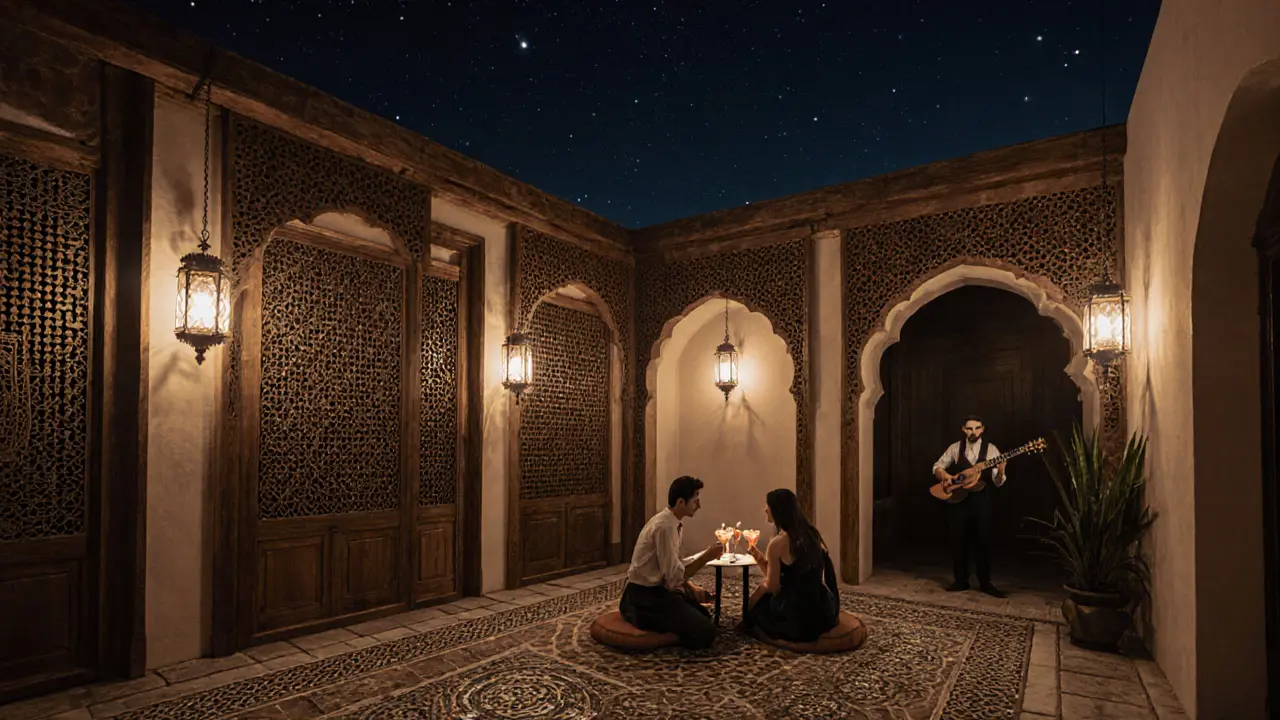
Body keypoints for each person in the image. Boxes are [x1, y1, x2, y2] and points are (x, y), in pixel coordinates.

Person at [619, 475, 724, 649]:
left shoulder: (672, 522)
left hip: (658, 592)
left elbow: (675, 565)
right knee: (705, 632)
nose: (699, 506)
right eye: (695, 501)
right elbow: (673, 579)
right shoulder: (665, 527)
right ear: (681, 502)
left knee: (703, 614)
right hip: (643, 598)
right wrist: (706, 557)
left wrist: (691, 587)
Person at [743, 488, 840, 642]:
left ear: (777, 511)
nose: (765, 510)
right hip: (821, 610)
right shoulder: (812, 533)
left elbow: (773, 586)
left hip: (795, 615)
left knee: (758, 608)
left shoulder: (778, 543)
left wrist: (755, 596)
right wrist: (758, 557)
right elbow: (791, 574)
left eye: (768, 506)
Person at [932, 415, 1007, 598]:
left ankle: (985, 582)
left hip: (981, 500)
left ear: (982, 429)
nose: (973, 432)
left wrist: (1002, 469)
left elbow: (998, 481)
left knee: (983, 541)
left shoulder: (991, 450)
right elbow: (937, 467)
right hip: (958, 500)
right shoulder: (955, 448)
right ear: (963, 430)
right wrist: (945, 477)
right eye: (969, 428)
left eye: (976, 428)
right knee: (958, 540)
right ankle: (960, 581)